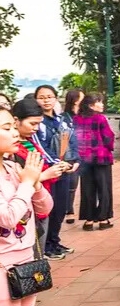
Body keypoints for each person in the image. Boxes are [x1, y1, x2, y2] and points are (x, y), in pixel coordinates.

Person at [0, 107, 55, 306]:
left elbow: (44, 209)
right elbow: (7, 218)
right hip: (3, 268)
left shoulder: (11, 168)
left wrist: (33, 183)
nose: (14, 133)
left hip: (25, 265)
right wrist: (28, 184)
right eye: (6, 127)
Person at [11, 100, 68, 262]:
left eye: (38, 124)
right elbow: (19, 182)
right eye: (33, 124)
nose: (35, 128)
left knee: (36, 251)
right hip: (24, 207)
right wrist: (44, 175)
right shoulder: (12, 149)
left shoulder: (29, 142)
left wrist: (54, 169)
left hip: (39, 201)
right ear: (16, 121)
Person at [34, 86, 79, 258]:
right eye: (41, 97)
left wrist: (74, 161)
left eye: (49, 97)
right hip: (48, 171)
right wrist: (58, 164)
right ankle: (46, 247)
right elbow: (41, 148)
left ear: (55, 99)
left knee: (61, 207)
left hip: (65, 170)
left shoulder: (63, 119)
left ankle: (54, 241)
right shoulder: (38, 122)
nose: (46, 100)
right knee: (49, 208)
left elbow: (73, 140)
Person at [74, 94, 115, 230]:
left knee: (87, 189)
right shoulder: (100, 118)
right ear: (91, 105)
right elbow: (108, 136)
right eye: (99, 102)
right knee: (104, 188)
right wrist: (109, 148)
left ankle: (89, 220)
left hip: (84, 159)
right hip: (101, 157)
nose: (102, 104)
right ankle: (104, 219)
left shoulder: (77, 119)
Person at [62, 89, 84, 224]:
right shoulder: (64, 117)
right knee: (68, 183)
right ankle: (68, 210)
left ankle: (69, 209)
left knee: (74, 184)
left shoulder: (83, 116)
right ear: (75, 100)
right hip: (68, 155)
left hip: (81, 154)